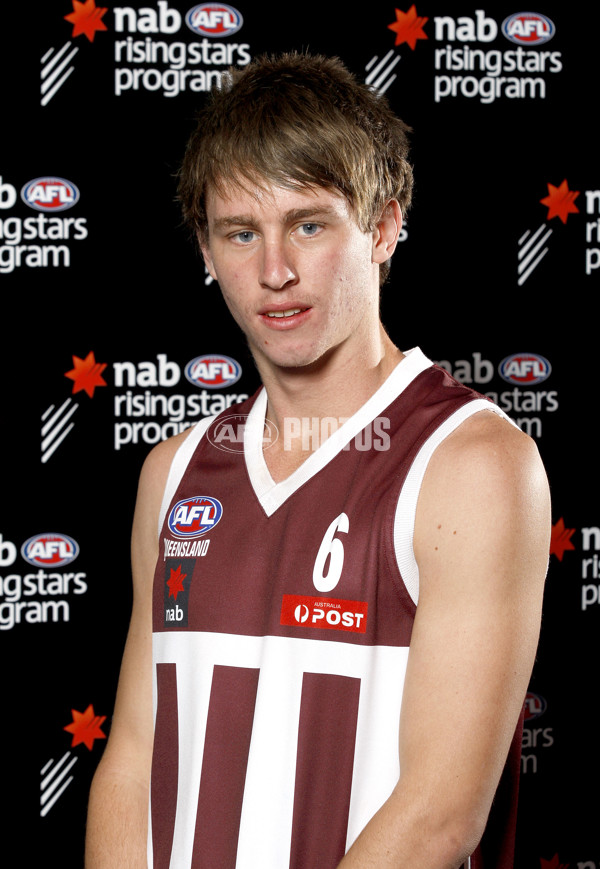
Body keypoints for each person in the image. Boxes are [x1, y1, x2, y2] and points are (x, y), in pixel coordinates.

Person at [85, 53, 551, 868]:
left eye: (308, 223)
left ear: (382, 225)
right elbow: (132, 759)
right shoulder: (175, 472)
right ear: (205, 246)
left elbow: (439, 815)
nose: (274, 272)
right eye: (240, 232)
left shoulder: (472, 465)